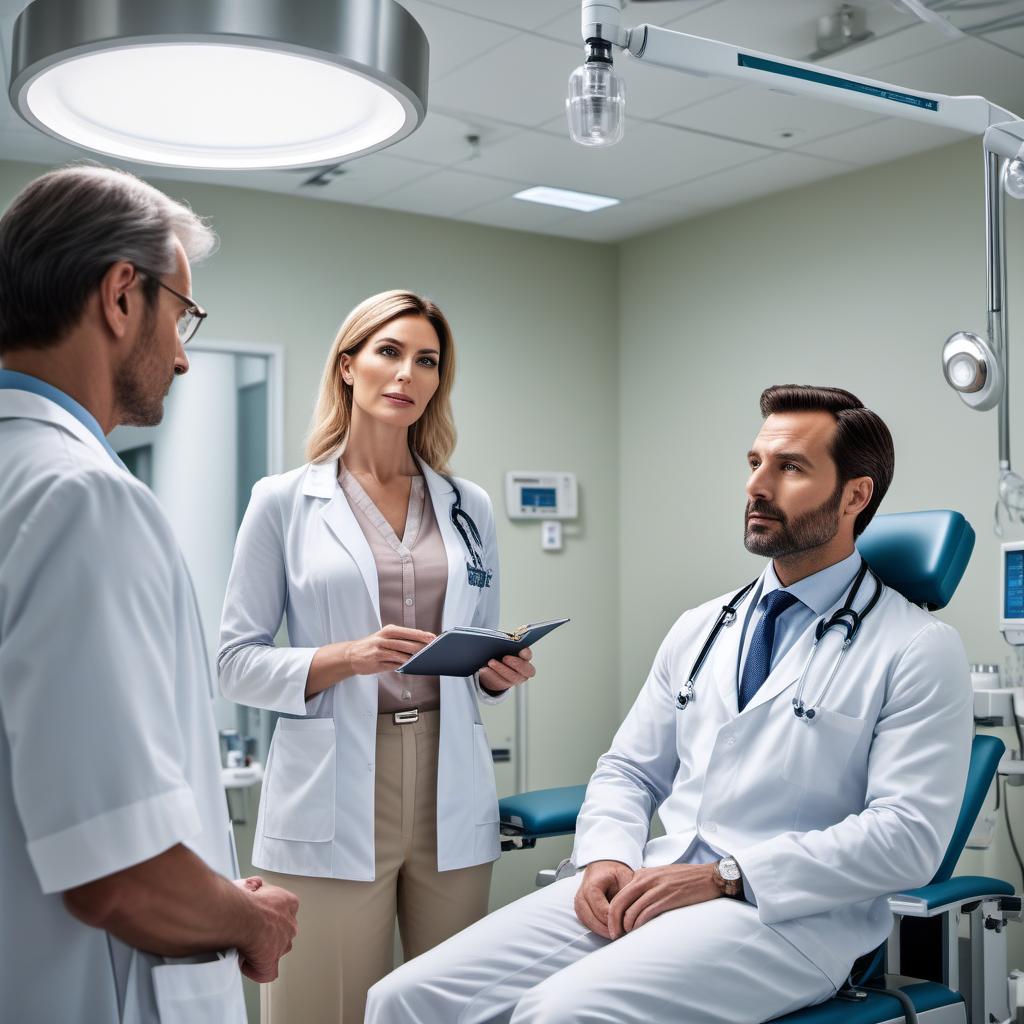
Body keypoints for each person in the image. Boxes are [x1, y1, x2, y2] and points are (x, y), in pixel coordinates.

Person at [365, 384, 973, 1024]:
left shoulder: (916, 647)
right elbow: (630, 769)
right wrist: (607, 855)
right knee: (404, 998)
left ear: (855, 495)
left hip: (790, 919)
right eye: (754, 463)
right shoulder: (703, 626)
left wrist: (727, 877)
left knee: (560, 1014)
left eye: (790, 467)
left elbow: (907, 839)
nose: (757, 486)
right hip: (650, 880)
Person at [0, 166, 299, 1023]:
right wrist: (249, 919)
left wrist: (198, 884)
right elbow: (119, 876)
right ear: (121, 295)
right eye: (182, 314)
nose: (181, 354)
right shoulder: (80, 501)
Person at [218, 289, 536, 1022]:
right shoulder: (282, 500)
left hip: (449, 775)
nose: (407, 374)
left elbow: (475, 637)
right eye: (389, 352)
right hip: (331, 784)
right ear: (348, 366)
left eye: (427, 360)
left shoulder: (468, 505)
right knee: (320, 1008)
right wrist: (345, 656)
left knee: (455, 1004)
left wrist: (495, 672)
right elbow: (234, 662)